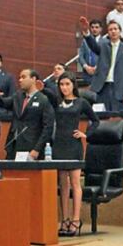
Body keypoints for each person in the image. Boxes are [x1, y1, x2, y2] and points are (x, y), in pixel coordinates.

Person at [43, 72, 98, 236]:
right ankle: (64, 220)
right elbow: (45, 91)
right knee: (63, 184)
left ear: (73, 85)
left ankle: (75, 220)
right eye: (61, 84)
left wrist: (86, 134)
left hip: (74, 145)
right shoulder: (57, 102)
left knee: (75, 183)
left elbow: (95, 120)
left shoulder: (81, 102)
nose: (64, 88)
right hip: (59, 145)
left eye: (67, 84)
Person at [0, 68, 55, 159]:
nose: (20, 80)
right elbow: (4, 103)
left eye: (23, 77)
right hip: (14, 144)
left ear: (33, 79)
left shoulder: (43, 99)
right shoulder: (18, 95)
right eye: (19, 77)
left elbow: (48, 127)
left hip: (32, 146)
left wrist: (37, 149)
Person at [78, 18, 123, 111]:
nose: (113, 31)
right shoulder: (103, 46)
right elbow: (93, 46)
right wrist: (87, 32)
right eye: (110, 30)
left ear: (120, 31)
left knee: (117, 119)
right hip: (103, 88)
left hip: (120, 89)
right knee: (102, 118)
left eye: (115, 29)